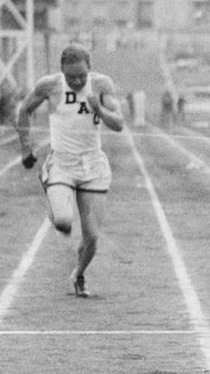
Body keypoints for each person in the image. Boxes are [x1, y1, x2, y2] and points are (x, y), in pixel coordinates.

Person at [15, 45, 127, 301]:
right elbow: (24, 110)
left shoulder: (101, 84)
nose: (76, 81)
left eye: (81, 76)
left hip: (93, 166)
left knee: (92, 237)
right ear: (61, 71)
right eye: (71, 76)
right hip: (62, 163)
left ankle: (78, 273)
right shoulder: (49, 86)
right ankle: (50, 183)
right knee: (64, 221)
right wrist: (25, 148)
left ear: (90, 69)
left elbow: (119, 124)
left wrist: (98, 108)